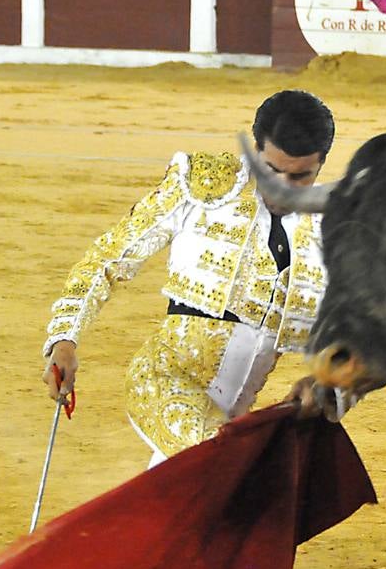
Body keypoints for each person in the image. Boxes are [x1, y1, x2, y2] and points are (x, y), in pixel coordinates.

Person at [41, 91, 343, 466]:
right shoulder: (203, 186)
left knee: (200, 494)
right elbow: (108, 258)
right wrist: (64, 339)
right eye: (271, 169)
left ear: (321, 166)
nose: (282, 184)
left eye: (299, 176)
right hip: (165, 381)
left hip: (231, 417)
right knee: (224, 466)